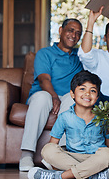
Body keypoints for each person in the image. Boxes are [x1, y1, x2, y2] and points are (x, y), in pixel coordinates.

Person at [28, 70, 109, 179]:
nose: (87, 94)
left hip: (96, 158)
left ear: (97, 97)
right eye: (82, 89)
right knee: (48, 150)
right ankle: (94, 175)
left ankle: (61, 176)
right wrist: (53, 159)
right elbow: (53, 144)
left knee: (108, 154)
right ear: (72, 94)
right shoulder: (64, 117)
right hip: (72, 157)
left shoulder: (103, 117)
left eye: (93, 91)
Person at [19, 18, 84, 171]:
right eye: (70, 30)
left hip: (67, 96)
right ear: (61, 31)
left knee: (74, 98)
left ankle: (57, 156)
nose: (74, 35)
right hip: (45, 94)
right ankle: (26, 154)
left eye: (78, 33)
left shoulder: (79, 57)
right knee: (43, 97)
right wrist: (54, 96)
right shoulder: (45, 53)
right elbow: (44, 79)